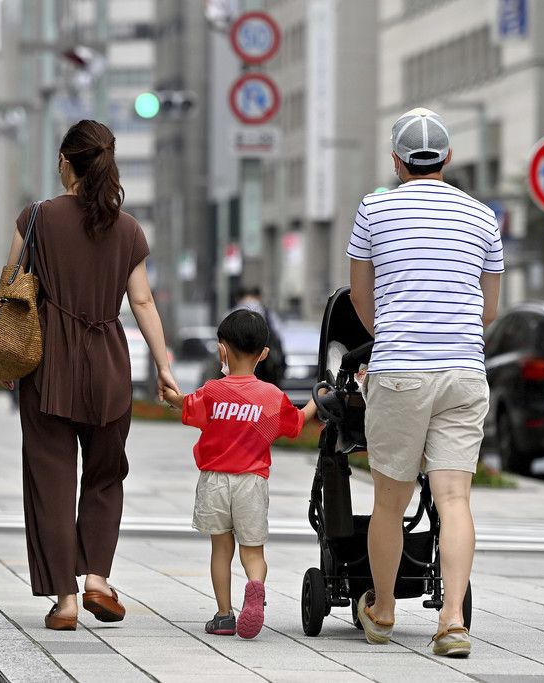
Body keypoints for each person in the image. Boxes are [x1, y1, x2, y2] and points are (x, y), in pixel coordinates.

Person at [0, 120, 179, 631]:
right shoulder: (127, 229)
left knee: (51, 480)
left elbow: (10, 283)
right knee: (105, 475)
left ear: (65, 163)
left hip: (47, 364)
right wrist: (164, 368)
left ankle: (66, 600)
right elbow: (141, 300)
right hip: (108, 365)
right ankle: (98, 576)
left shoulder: (36, 217)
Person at [347, 108, 503, 655]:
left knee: (391, 499)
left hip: (400, 370)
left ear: (396, 160)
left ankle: (384, 612)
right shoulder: (483, 217)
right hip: (464, 369)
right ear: (448, 158)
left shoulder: (374, 210)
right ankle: (453, 622)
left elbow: (360, 299)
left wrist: (391, 334)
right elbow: (489, 308)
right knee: (455, 496)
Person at [162, 309, 318, 639]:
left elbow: (186, 405)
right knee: (252, 551)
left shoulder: (212, 391)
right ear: (263, 354)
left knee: (221, 549)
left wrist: (171, 396)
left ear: (222, 350)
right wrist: (318, 400)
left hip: (215, 480)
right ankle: (255, 586)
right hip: (252, 482)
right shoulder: (270, 398)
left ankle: (223, 616)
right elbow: (296, 424)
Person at [233, 287, 286, 386]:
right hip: (265, 365)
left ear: (238, 298)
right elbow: (279, 335)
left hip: (239, 363)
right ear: (259, 297)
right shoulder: (268, 313)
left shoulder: (234, 312)